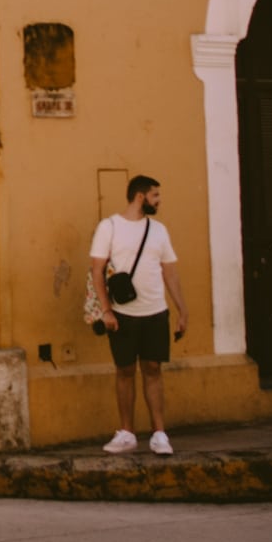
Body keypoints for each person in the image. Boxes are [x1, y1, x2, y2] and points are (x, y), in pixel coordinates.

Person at [90, 175, 188, 456]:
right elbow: (97, 270)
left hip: (156, 312)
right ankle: (126, 433)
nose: (159, 201)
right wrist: (106, 310)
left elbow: (170, 271)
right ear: (140, 196)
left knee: (153, 370)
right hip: (122, 314)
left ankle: (159, 434)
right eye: (155, 195)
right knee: (124, 372)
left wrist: (182, 309)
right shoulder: (109, 227)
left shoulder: (159, 231)